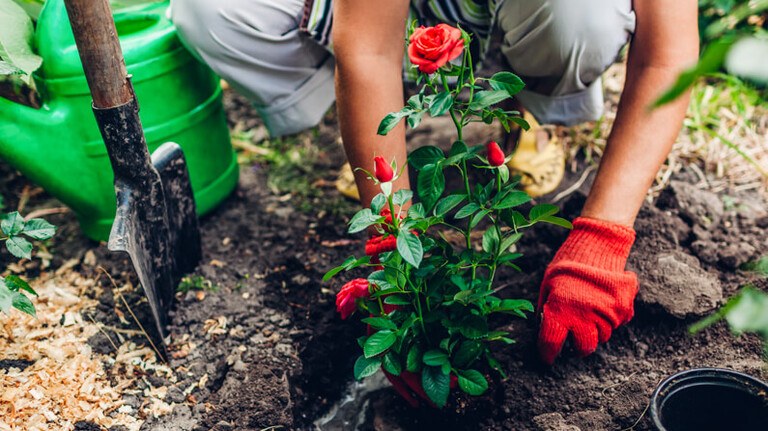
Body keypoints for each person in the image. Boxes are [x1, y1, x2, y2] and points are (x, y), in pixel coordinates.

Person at [169, 0, 699, 364]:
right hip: (402, 17)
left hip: (535, 19)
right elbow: (369, 47)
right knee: (210, 10)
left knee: (578, 16)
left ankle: (523, 115)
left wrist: (601, 238)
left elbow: (668, 55)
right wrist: (393, 245)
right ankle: (376, 138)